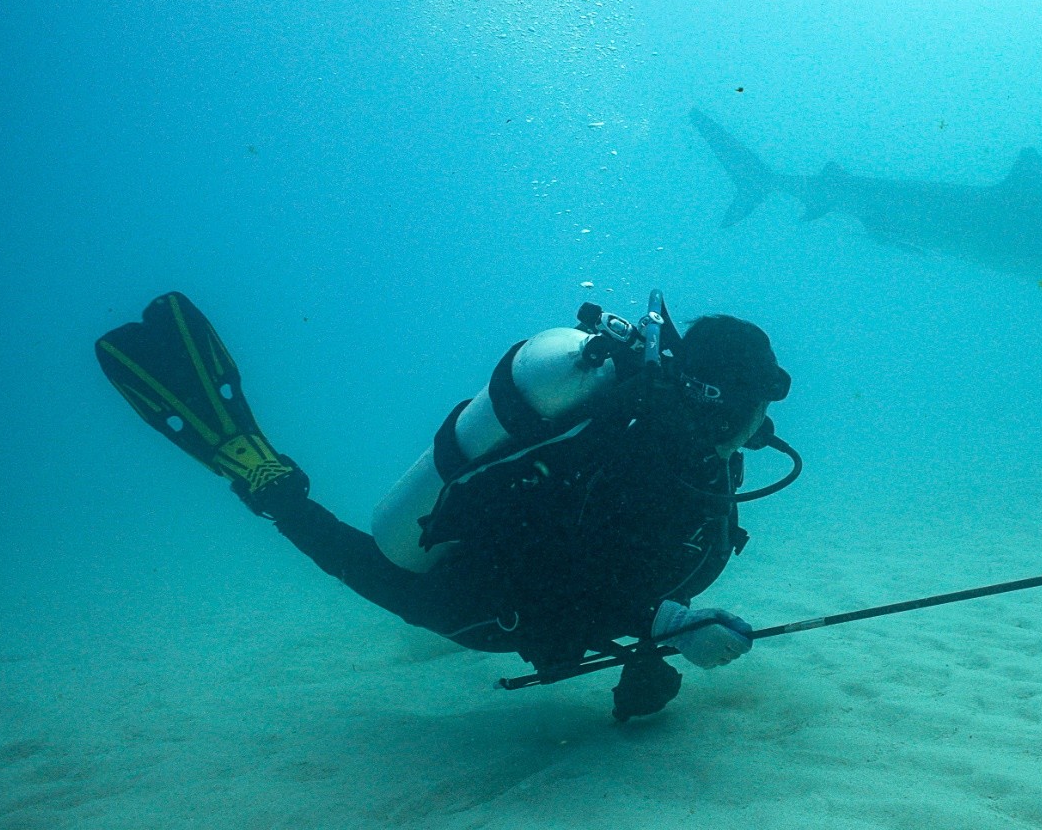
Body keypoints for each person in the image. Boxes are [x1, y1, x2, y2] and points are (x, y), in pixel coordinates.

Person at [96, 290, 799, 720]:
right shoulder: (633, 454)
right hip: (480, 599)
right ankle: (265, 479)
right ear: (717, 402)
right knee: (376, 571)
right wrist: (661, 623)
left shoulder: (696, 449)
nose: (764, 424)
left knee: (381, 569)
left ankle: (273, 486)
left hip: (570, 592)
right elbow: (551, 570)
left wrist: (650, 643)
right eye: (758, 404)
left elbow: (627, 566)